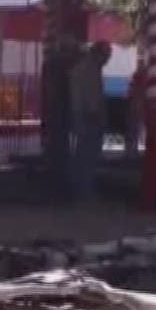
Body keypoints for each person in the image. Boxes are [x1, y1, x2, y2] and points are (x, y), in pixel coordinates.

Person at [68, 41, 110, 201]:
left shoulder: (92, 70)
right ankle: (82, 190)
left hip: (91, 115)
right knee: (85, 155)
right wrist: (80, 116)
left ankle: (84, 189)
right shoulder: (85, 70)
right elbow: (80, 97)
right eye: (106, 55)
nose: (107, 60)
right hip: (87, 115)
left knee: (87, 154)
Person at [40, 37, 75, 199]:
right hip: (57, 112)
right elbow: (54, 90)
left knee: (56, 147)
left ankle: (55, 182)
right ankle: (57, 185)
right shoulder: (57, 67)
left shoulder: (51, 66)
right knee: (58, 148)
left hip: (53, 111)